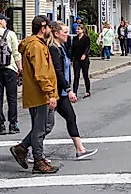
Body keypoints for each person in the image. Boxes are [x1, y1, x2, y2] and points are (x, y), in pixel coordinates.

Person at [35, 22, 97, 161]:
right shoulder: (53, 49)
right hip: (54, 92)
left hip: (60, 92)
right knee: (46, 125)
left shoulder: (60, 47)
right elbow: (57, 72)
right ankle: (26, 148)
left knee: (70, 117)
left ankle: (80, 149)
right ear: (56, 34)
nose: (67, 34)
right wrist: (69, 89)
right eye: (65, 32)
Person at [9, 16, 59, 174]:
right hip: (39, 94)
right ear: (43, 28)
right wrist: (49, 92)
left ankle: (22, 148)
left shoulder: (37, 44)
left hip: (41, 93)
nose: (50, 30)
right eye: (49, 27)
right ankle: (38, 160)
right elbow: (41, 72)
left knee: (46, 125)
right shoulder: (35, 46)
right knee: (39, 128)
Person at [70, 24, 91, 96]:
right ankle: (75, 92)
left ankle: (88, 90)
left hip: (84, 59)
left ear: (82, 30)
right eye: (77, 29)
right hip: (76, 59)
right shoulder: (75, 38)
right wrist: (71, 59)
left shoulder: (86, 38)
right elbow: (72, 49)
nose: (77, 30)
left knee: (85, 75)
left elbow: (88, 48)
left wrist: (85, 54)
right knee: (76, 76)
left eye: (78, 29)